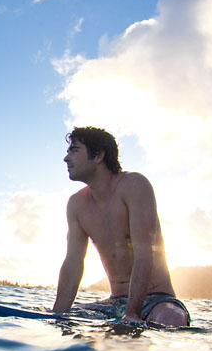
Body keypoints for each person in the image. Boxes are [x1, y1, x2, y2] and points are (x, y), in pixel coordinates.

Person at [52, 126, 190, 326]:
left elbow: (145, 252)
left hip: (157, 300)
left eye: (73, 150)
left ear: (98, 155)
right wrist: (57, 316)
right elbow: (73, 263)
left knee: (170, 319)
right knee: (72, 315)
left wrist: (132, 315)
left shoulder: (134, 185)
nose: (66, 158)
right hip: (114, 302)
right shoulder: (77, 204)